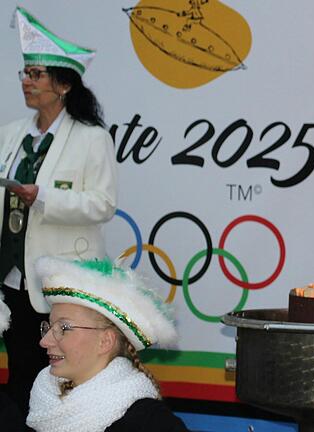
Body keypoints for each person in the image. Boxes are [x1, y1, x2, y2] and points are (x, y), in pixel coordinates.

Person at [0, 7, 118, 416]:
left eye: (36, 75)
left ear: (63, 84)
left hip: (60, 284)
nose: (27, 82)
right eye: (24, 74)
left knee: (59, 379)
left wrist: (44, 196)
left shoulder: (91, 138)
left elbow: (102, 204)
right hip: (12, 281)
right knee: (18, 377)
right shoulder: (12, 134)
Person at [16, 256, 187, 432]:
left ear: (105, 341)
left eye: (64, 328)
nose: (44, 341)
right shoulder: (43, 398)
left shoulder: (147, 421)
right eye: (49, 327)